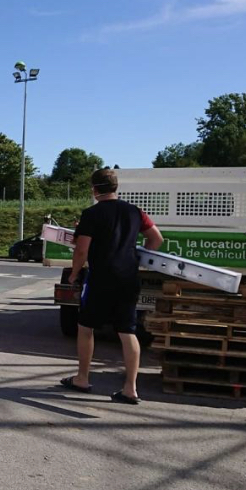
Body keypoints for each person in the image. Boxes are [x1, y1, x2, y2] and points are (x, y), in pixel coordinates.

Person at [60, 168, 163, 405]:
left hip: (100, 278)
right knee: (127, 331)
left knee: (86, 327)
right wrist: (139, 257)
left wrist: (75, 273)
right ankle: (130, 388)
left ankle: (82, 378)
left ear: (94, 190)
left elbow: (82, 249)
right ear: (116, 188)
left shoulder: (92, 214)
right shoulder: (135, 212)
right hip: (128, 277)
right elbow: (156, 238)